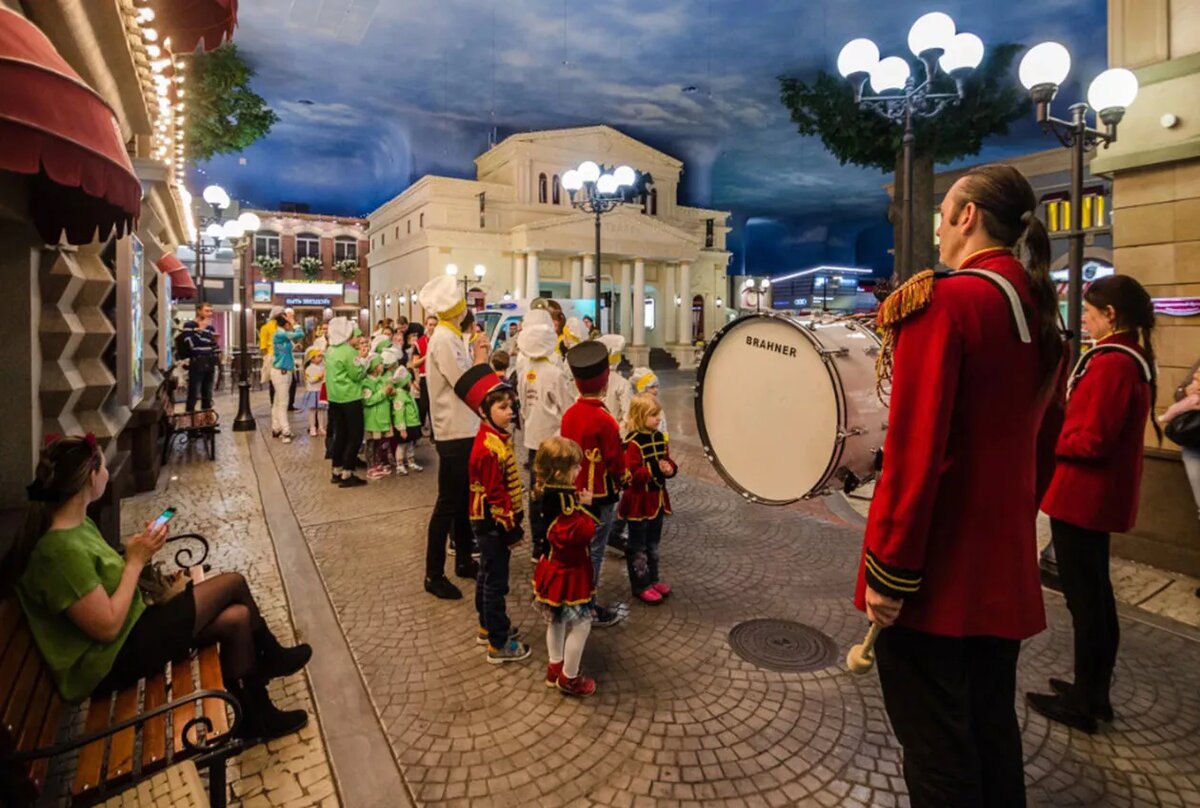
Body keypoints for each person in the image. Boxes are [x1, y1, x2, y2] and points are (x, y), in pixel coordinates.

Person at [855, 164, 1064, 807]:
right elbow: (1043, 442)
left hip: (937, 582)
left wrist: (887, 572)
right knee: (990, 734)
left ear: (967, 217)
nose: (937, 228)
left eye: (943, 213)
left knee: (939, 759)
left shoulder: (945, 301)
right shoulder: (1035, 307)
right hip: (1000, 574)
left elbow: (917, 454)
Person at [15, 434, 311, 739]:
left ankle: (255, 715)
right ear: (91, 477)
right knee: (234, 583)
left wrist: (139, 552)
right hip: (111, 659)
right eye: (103, 465)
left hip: (131, 633)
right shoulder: (58, 552)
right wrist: (134, 561)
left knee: (237, 618)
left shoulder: (78, 526)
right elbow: (107, 627)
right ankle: (271, 658)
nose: (106, 472)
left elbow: (107, 584)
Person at [1027, 275, 1159, 733]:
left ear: (1112, 316)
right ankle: (1094, 691)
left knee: (1087, 604)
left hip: (1082, 496)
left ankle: (1086, 701)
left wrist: (1050, 438)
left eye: (1089, 311)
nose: (1083, 318)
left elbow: (1091, 439)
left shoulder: (1112, 364)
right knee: (1096, 599)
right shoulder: (1133, 359)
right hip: (1098, 497)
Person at [420, 275, 490, 599]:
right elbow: (464, 384)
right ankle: (433, 574)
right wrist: (481, 359)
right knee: (448, 504)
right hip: (453, 430)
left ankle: (463, 559)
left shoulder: (449, 336)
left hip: (464, 428)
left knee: (463, 500)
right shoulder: (444, 340)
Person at [456, 364, 530, 663]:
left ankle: (487, 626)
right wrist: (511, 529)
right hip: (492, 525)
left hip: (490, 523)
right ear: (484, 413)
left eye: (510, 405)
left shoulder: (495, 437)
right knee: (496, 582)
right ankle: (498, 644)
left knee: (487, 575)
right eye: (502, 407)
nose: (510, 411)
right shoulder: (488, 447)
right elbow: (496, 496)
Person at [562, 341, 630, 628]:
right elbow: (615, 462)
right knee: (595, 552)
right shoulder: (606, 420)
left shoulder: (569, 415)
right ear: (604, 382)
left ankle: (572, 597)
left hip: (573, 493)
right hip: (600, 496)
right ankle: (587, 606)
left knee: (577, 549)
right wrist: (624, 479)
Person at [532, 437, 599, 697]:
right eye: (575, 467)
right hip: (569, 573)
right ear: (560, 473)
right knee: (582, 625)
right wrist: (586, 508)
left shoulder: (543, 493)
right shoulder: (564, 504)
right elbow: (578, 535)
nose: (580, 471)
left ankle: (554, 666)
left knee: (556, 621)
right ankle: (569, 678)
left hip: (550, 568)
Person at [517, 324, 576, 559]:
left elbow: (522, 404)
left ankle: (537, 544)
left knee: (536, 493)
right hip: (553, 442)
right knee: (556, 492)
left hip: (532, 440)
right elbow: (567, 407)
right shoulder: (554, 373)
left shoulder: (523, 372)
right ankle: (554, 541)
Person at [619, 394, 677, 604]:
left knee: (653, 544)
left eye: (658, 414)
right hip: (639, 503)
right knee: (638, 547)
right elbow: (630, 475)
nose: (658, 419)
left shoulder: (660, 438)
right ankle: (640, 584)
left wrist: (670, 469)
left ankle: (653, 579)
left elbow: (667, 459)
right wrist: (654, 469)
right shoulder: (632, 443)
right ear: (640, 416)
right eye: (653, 415)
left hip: (657, 500)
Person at [325, 317, 368, 488]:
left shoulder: (330, 350)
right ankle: (347, 472)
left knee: (340, 435)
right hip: (350, 397)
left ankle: (336, 469)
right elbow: (357, 375)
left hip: (334, 398)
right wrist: (364, 362)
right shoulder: (348, 352)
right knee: (355, 435)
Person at [270, 309, 306, 443]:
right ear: (286, 325)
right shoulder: (280, 334)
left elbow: (285, 349)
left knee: (277, 402)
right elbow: (300, 333)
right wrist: (293, 323)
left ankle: (276, 427)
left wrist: (292, 347)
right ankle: (286, 431)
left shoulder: (281, 335)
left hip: (282, 371)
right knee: (283, 403)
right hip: (282, 372)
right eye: (289, 323)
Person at [361, 355, 395, 480]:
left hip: (383, 417)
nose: (383, 366)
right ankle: (371, 467)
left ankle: (378, 463)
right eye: (380, 363)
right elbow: (368, 400)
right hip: (372, 419)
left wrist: (391, 393)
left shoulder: (383, 380)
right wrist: (383, 392)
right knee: (371, 443)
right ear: (374, 367)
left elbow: (387, 396)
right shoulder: (367, 383)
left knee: (380, 443)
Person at [182, 302, 219, 413]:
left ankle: (207, 423)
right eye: (206, 311)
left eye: (211, 311)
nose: (209, 313)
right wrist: (201, 329)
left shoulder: (211, 328)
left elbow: (211, 345)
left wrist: (215, 344)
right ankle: (190, 421)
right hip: (197, 362)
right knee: (194, 393)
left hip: (209, 361)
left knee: (207, 394)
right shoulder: (189, 326)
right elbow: (192, 344)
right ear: (199, 311)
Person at [390, 360, 422, 475]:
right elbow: (399, 413)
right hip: (405, 426)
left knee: (410, 444)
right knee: (402, 445)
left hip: (412, 423)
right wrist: (401, 428)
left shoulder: (407, 394)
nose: (411, 382)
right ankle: (399, 464)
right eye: (409, 380)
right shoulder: (400, 396)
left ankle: (411, 461)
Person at [413, 315, 438, 435]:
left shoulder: (440, 341)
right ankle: (419, 429)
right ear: (426, 325)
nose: (432, 327)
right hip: (425, 376)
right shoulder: (420, 342)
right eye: (430, 325)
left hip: (438, 376)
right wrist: (426, 356)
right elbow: (415, 363)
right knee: (424, 406)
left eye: (435, 325)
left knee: (436, 407)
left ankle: (435, 434)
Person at [630, 368, 667, 437]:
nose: (656, 390)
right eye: (652, 387)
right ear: (642, 388)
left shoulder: (656, 404)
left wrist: (665, 438)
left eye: (657, 386)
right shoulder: (639, 406)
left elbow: (663, 425)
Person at [302, 346, 327, 438]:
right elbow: (310, 380)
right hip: (313, 391)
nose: (321, 358)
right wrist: (319, 377)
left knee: (321, 411)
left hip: (320, 391)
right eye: (318, 356)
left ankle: (321, 427)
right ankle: (312, 427)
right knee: (312, 411)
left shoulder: (322, 367)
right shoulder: (309, 369)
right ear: (312, 359)